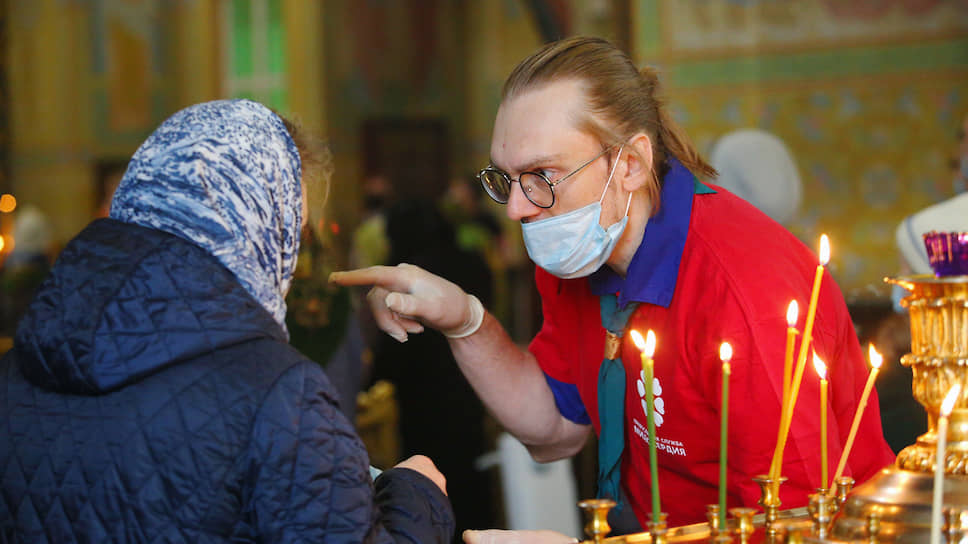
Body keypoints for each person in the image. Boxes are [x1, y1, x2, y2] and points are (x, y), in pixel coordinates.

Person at [331, 37, 894, 531]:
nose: (517, 209)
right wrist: (464, 319)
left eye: (542, 177)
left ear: (629, 164)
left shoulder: (745, 295)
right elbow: (554, 428)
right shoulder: (581, 249)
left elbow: (801, 525)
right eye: (507, 179)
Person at [0, 99, 454, 543]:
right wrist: (419, 497)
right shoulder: (278, 395)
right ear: (253, 224)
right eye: (288, 232)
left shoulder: (18, 370)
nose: (292, 262)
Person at [371, 199, 498, 538]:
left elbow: (394, 355)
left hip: (423, 404)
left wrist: (371, 375)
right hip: (469, 389)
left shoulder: (406, 277)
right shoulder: (472, 264)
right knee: (469, 480)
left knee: (428, 487)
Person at [709, 128, 802, 226]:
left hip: (750, 223)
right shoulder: (764, 141)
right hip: (782, 218)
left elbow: (725, 193)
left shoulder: (725, 149)